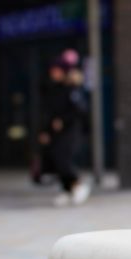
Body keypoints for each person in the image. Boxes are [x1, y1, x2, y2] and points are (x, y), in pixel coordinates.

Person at [42, 52, 91, 207]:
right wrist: (46, 130)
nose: (52, 73)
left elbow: (79, 111)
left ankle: (77, 185)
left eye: (56, 70)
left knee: (63, 159)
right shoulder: (53, 88)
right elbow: (49, 111)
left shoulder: (72, 89)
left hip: (71, 130)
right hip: (56, 131)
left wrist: (63, 120)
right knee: (56, 158)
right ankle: (66, 189)